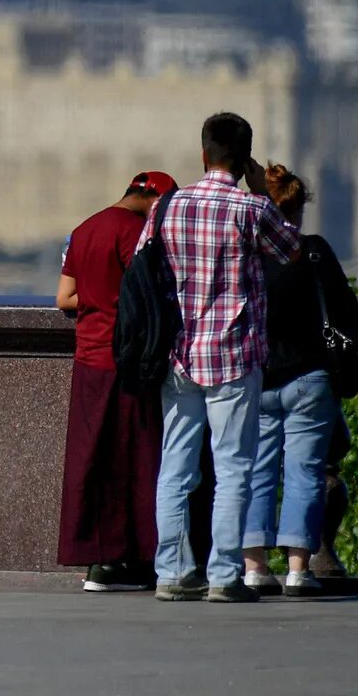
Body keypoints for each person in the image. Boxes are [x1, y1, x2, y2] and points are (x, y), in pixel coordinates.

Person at [139, 112, 299, 604]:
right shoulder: (251, 209)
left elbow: (144, 263)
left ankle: (172, 571)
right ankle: (224, 575)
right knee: (233, 468)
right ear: (244, 156)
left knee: (176, 466)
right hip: (234, 355)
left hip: (179, 356)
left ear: (203, 153)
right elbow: (291, 250)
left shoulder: (168, 206)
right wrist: (264, 192)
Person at [54, 170, 176, 592]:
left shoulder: (83, 229)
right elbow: (150, 295)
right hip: (125, 362)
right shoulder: (136, 232)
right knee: (135, 462)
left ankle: (94, 561)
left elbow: (64, 298)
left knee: (91, 460)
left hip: (87, 360)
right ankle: (131, 560)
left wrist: (99, 300)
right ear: (154, 199)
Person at [242, 164, 358, 598]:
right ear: (298, 209)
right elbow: (347, 312)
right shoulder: (313, 251)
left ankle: (253, 567)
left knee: (256, 472)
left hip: (257, 376)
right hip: (309, 377)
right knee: (306, 473)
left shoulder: (247, 252)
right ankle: (297, 569)